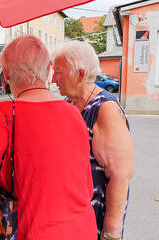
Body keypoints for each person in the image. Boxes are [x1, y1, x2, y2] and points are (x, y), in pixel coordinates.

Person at [0, 35, 97, 239]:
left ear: (6, 75)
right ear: (47, 71)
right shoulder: (74, 113)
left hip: (34, 232)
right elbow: (86, 187)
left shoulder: (5, 115)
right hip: (82, 229)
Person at [51, 40, 134, 240]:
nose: (53, 79)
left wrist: (110, 234)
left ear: (80, 74)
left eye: (59, 72)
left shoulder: (104, 109)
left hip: (94, 222)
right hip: (71, 218)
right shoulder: (68, 105)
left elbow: (120, 176)